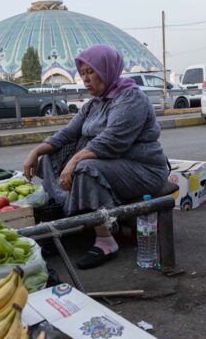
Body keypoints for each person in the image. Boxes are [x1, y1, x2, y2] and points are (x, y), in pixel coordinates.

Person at [23, 44, 169, 269]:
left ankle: (106, 241)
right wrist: (36, 152)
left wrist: (74, 161)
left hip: (143, 168)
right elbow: (68, 133)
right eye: (82, 73)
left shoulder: (130, 98)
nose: (86, 79)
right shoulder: (94, 104)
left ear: (107, 69)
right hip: (110, 163)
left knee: (86, 168)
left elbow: (112, 140)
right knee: (50, 158)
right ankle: (70, 216)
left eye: (91, 72)